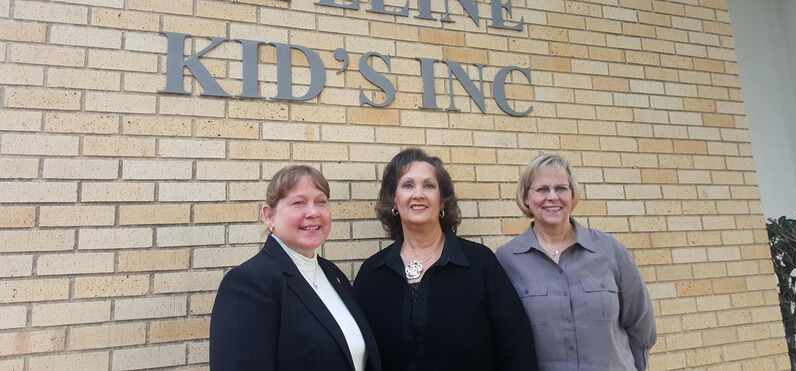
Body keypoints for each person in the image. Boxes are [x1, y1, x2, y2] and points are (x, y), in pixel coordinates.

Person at [353, 148, 537, 371]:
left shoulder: (480, 263)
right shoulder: (373, 272)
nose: (418, 194)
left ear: (441, 202)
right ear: (394, 199)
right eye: (408, 185)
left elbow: (516, 344)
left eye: (429, 186)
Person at [210, 165, 382, 371]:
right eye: (298, 203)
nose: (313, 212)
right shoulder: (248, 283)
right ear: (268, 215)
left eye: (321, 202)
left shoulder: (333, 275)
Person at [495, 154, 656, 371]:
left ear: (572, 195)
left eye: (561, 188)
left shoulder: (609, 250)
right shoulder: (507, 259)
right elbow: (504, 338)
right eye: (542, 189)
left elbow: (641, 326)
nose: (552, 197)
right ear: (526, 198)